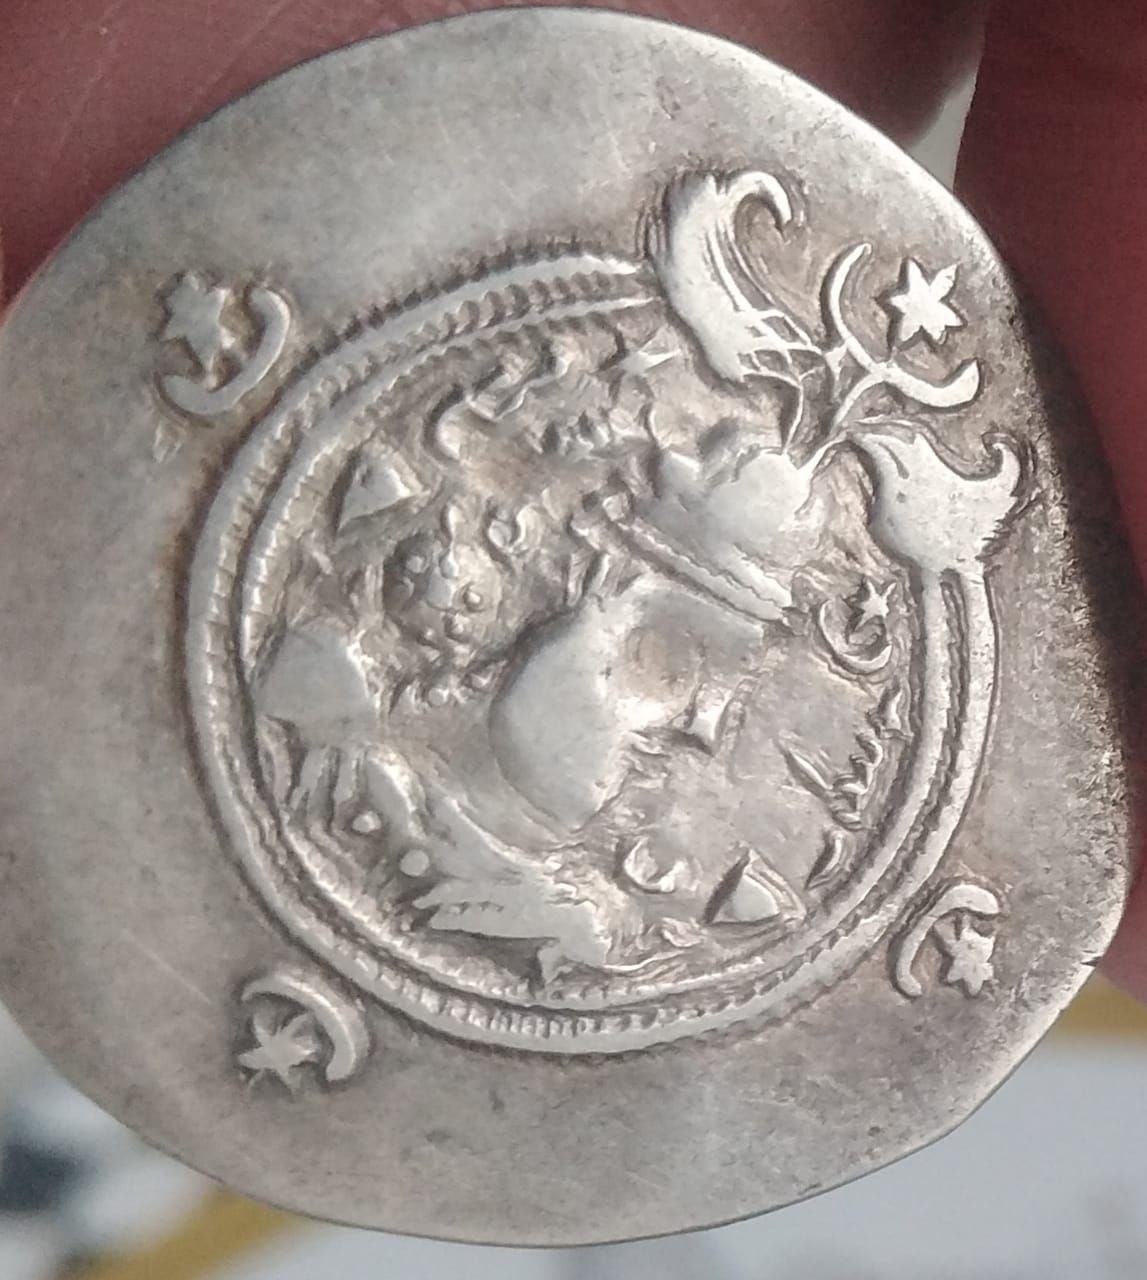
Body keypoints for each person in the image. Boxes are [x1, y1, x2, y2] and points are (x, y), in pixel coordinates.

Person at [2, 0, 1145, 999]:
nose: (700, 724)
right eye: (666, 659)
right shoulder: (330, 719)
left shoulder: (559, 911)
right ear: (574, 575)